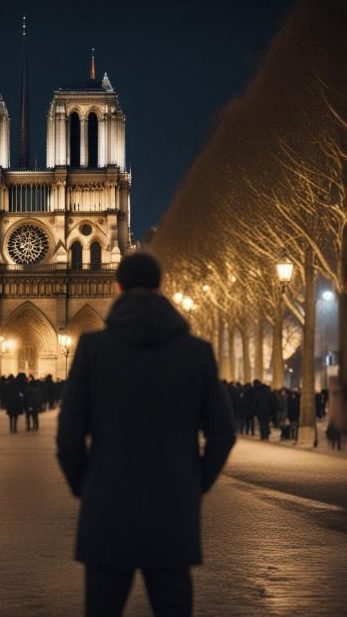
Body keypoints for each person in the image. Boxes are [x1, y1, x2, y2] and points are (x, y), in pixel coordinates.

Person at [57, 253, 235, 617]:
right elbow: (223, 433)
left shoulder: (92, 349)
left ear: (118, 287)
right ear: (160, 287)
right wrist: (194, 483)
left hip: (107, 507)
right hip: (173, 508)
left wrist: (86, 484)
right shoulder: (196, 352)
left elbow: (68, 436)